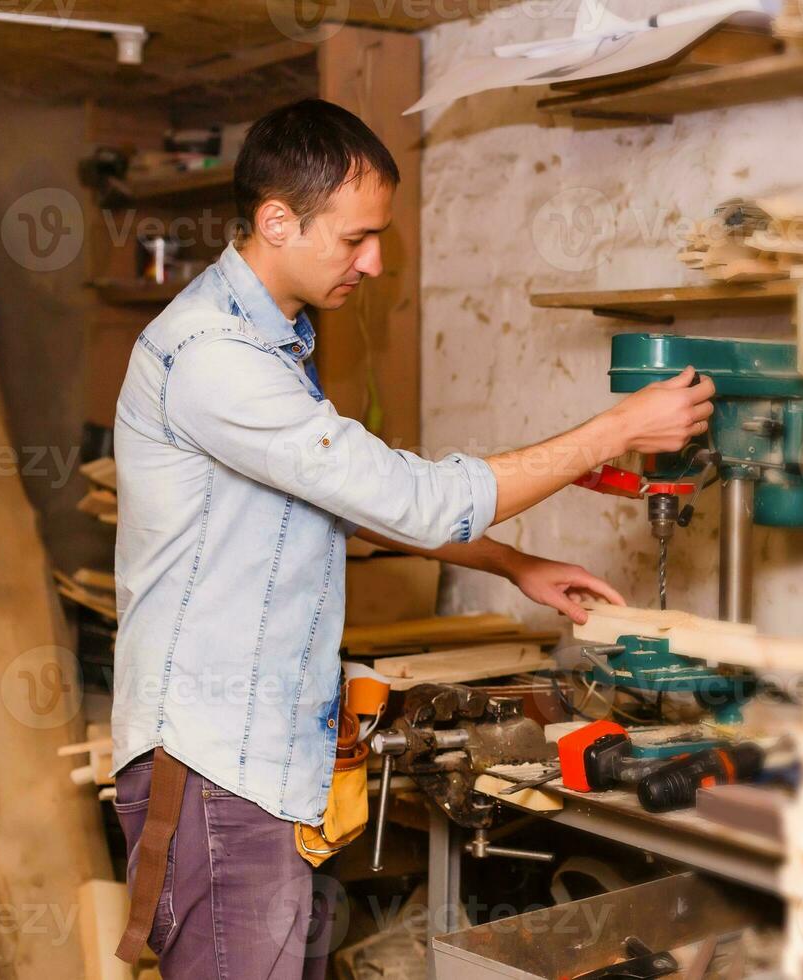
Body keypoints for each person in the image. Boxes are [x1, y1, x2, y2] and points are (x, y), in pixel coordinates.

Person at [108, 98, 715, 978]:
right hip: (214, 765)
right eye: (356, 237)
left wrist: (512, 562)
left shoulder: (269, 345)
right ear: (278, 221)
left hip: (252, 755)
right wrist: (617, 429)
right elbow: (417, 500)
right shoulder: (215, 358)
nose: (376, 260)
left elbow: (348, 502)